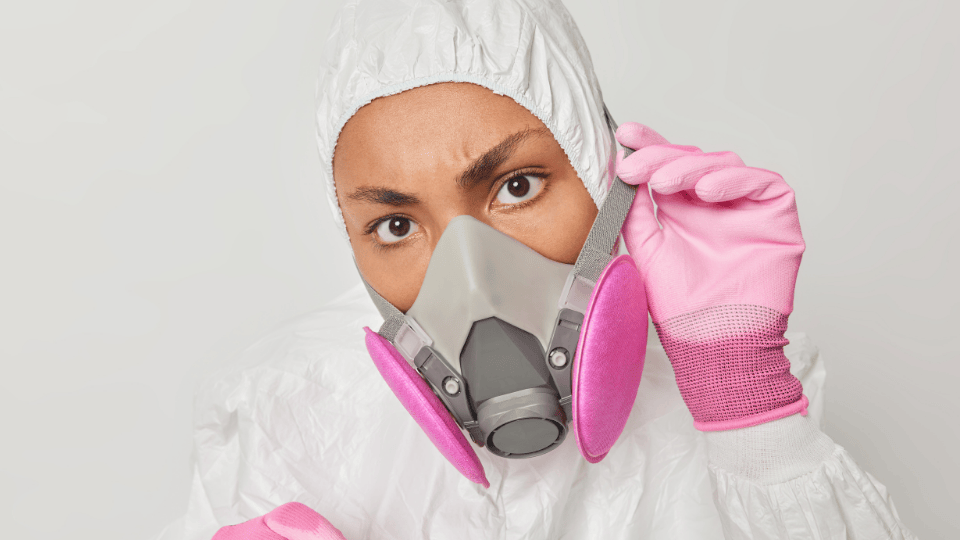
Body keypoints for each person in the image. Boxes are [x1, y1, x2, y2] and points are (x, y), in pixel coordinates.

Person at [157, 0, 917, 538]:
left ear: (600, 174)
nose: (474, 279)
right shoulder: (292, 412)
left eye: (516, 186)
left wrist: (745, 405)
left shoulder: (721, 393)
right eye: (395, 224)